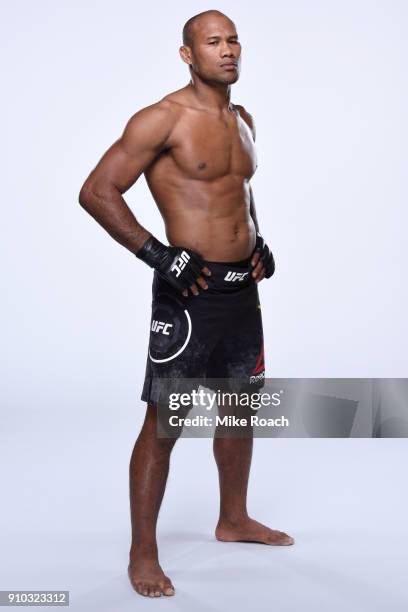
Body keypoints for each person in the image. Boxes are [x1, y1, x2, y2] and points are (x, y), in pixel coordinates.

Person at [78, 9, 294, 599]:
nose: (227, 51)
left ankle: (233, 519)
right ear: (187, 54)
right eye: (212, 42)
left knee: (240, 408)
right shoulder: (161, 119)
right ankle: (142, 553)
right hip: (188, 293)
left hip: (240, 290)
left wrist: (259, 240)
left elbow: (240, 195)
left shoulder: (243, 119)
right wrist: (158, 255)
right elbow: (97, 191)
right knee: (166, 421)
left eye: (233, 41)